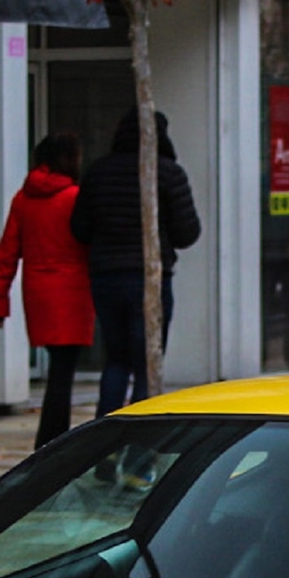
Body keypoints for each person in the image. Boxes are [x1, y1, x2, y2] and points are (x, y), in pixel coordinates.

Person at [73, 109, 202, 415]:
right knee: (148, 363)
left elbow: (79, 228)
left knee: (115, 359)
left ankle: (104, 434)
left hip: (106, 277)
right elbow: (188, 232)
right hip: (151, 277)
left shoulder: (98, 172)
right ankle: (141, 439)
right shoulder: (168, 172)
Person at [0, 133, 96, 448]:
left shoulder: (23, 199)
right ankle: (53, 440)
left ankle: (51, 437)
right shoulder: (76, 197)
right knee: (64, 373)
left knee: (58, 370)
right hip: (73, 289)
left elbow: (7, 253)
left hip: (38, 290)